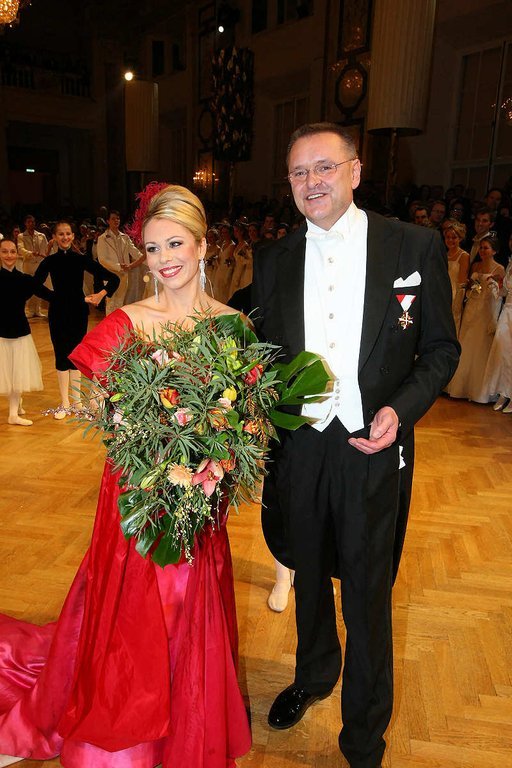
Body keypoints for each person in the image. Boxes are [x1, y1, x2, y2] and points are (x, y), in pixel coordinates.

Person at [0, 185, 251, 767]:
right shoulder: (128, 322)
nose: (164, 259)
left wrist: (220, 459)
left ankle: (184, 728)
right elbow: (105, 411)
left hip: (201, 497)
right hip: (138, 494)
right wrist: (148, 443)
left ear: (202, 246)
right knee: (136, 608)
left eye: (176, 244)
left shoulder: (234, 326)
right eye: (153, 248)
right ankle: (125, 733)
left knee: (188, 602)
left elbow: (246, 421)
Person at [251, 122, 459, 768]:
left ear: (356, 171)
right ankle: (314, 674)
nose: (311, 181)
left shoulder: (414, 246)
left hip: (374, 444)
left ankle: (364, 734)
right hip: (302, 445)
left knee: (367, 592)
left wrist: (400, 409)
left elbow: (441, 349)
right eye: (298, 172)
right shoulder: (272, 258)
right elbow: (260, 350)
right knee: (309, 573)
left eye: (324, 167)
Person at [34, 220, 119, 419]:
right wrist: (54, 297)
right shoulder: (49, 261)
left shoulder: (81, 260)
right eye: (61, 234)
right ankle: (65, 403)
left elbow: (114, 279)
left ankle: (77, 402)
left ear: (73, 236)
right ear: (54, 237)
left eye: (68, 234)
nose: (65, 237)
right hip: (58, 313)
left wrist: (101, 294)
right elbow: (35, 285)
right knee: (61, 354)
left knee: (76, 355)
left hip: (78, 312)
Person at [446, 232, 504, 404]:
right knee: (466, 344)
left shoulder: (499, 269)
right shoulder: (476, 265)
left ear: (494, 251)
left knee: (480, 346)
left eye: (486, 248)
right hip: (472, 307)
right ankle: (460, 387)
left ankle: (478, 391)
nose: (482, 251)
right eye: (481, 248)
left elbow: (499, 294)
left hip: (486, 310)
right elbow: (470, 285)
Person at [0, 238, 52, 426]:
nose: (9, 255)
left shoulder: (23, 279)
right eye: (4, 251)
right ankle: (14, 411)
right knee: (7, 372)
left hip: (20, 332)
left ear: (18, 254)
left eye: (12, 251)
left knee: (17, 372)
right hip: (1, 333)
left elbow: (48, 295)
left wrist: (79, 299)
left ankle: (15, 411)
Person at [482, 235, 512, 412]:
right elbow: (505, 291)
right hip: (507, 312)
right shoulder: (510, 264)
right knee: (502, 353)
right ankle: (504, 392)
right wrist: (495, 285)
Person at [96, 210, 145, 313]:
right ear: (108, 221)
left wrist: (148, 258)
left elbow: (136, 253)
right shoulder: (102, 238)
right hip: (110, 275)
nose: (116, 221)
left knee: (120, 302)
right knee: (111, 302)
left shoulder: (125, 238)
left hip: (124, 274)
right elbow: (102, 259)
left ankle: (117, 323)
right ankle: (110, 323)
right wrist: (119, 266)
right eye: (113, 219)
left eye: (118, 218)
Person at [17, 214, 49, 318]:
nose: (31, 223)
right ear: (25, 223)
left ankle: (37, 309)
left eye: (33, 222)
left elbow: (46, 248)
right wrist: (31, 253)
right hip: (28, 264)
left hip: (39, 264)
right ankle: (30, 310)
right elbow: (20, 249)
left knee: (39, 287)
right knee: (29, 287)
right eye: (29, 222)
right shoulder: (21, 236)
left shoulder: (41, 235)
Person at [443, 219, 470, 334]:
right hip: (443, 291)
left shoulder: (464, 256)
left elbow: (462, 283)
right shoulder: (444, 255)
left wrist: (457, 302)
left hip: (455, 294)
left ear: (460, 238)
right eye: (448, 237)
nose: (450, 240)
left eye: (454, 237)